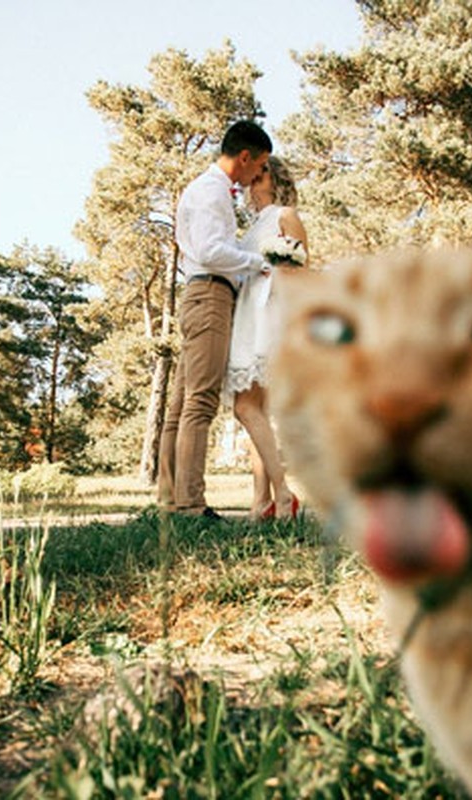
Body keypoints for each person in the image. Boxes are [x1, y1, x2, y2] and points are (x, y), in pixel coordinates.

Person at [158, 120, 272, 520]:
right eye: (259, 166)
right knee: (200, 402)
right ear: (245, 157)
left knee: (181, 405)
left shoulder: (210, 190)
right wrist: (258, 262)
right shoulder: (211, 192)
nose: (258, 175)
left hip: (201, 293)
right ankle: (190, 505)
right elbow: (209, 250)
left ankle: (169, 500)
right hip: (209, 295)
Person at [225, 156, 306, 520]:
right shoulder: (252, 226)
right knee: (254, 410)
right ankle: (260, 503)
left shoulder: (285, 215)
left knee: (245, 408)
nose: (255, 178)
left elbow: (300, 272)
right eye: (254, 174)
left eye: (264, 172)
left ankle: (284, 494)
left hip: (269, 315)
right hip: (247, 313)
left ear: (275, 179)